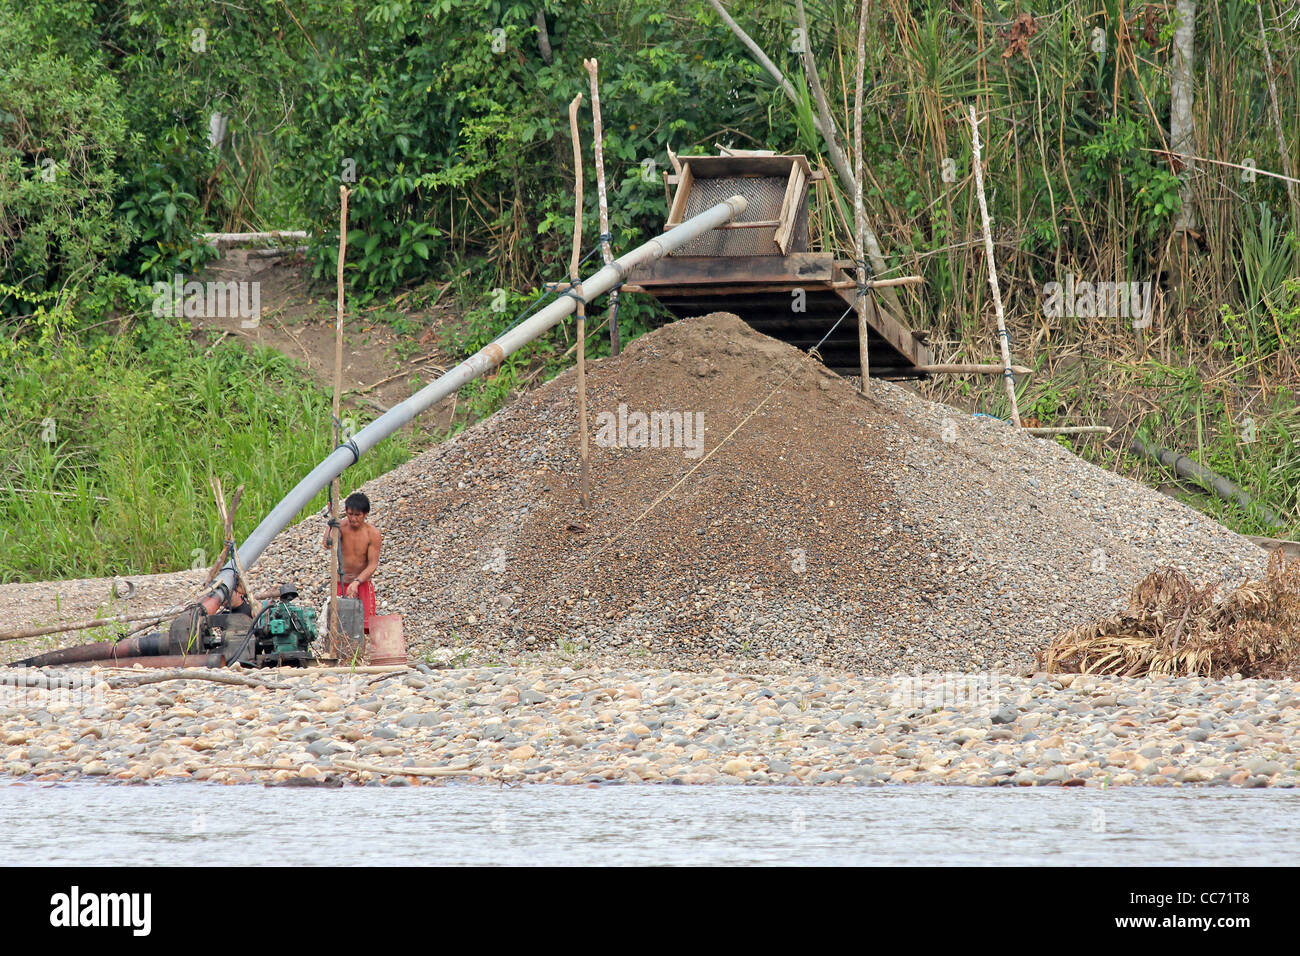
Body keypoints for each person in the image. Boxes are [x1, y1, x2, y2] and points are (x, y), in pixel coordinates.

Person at [321, 491, 382, 633]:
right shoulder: (341, 527)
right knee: (338, 625)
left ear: (366, 514)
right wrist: (331, 522)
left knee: (365, 626)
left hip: (362, 583)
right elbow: (327, 544)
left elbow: (373, 564)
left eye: (357, 515)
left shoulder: (372, 533)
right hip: (341, 582)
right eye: (350, 514)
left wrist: (357, 582)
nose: (353, 519)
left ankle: (361, 654)